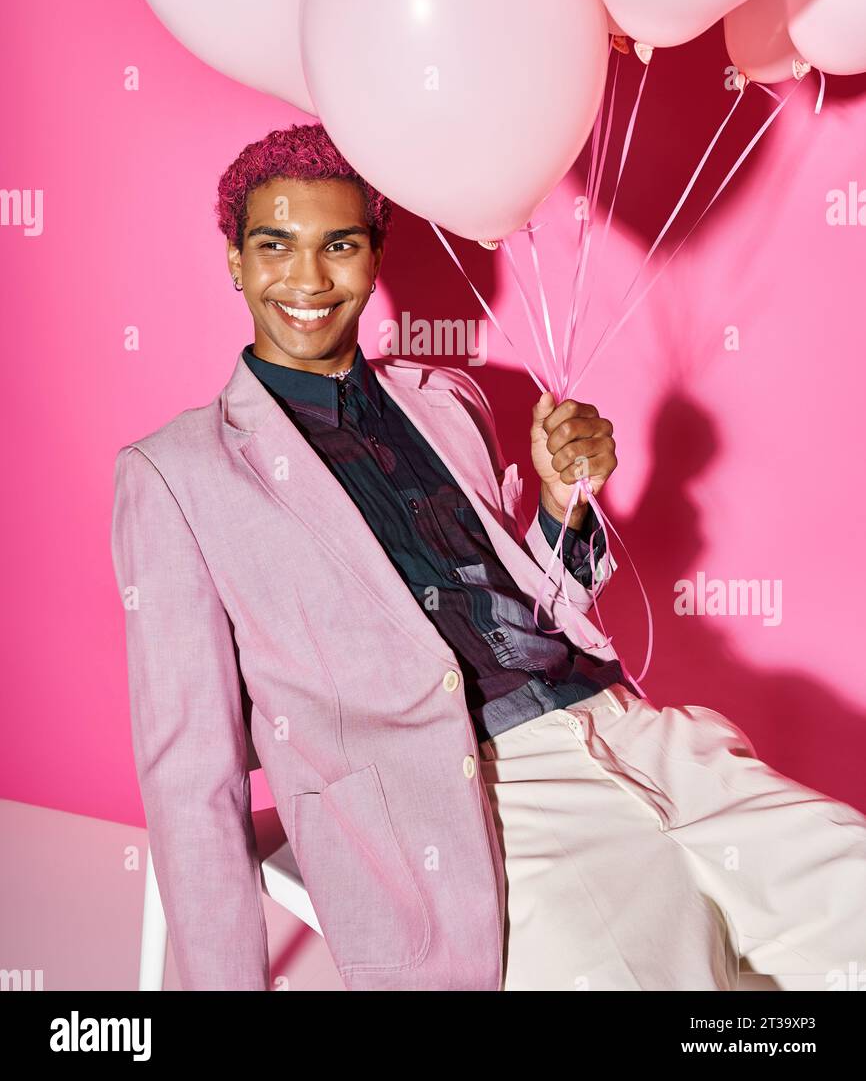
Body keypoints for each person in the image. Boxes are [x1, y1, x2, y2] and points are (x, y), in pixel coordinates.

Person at [111, 123, 866, 992]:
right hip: (476, 795)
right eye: (275, 245)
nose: (309, 278)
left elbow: (528, 606)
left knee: (845, 888)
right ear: (238, 262)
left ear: (374, 256)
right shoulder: (176, 475)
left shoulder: (451, 400)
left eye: (340, 245)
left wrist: (555, 505)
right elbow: (189, 776)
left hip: (637, 735)